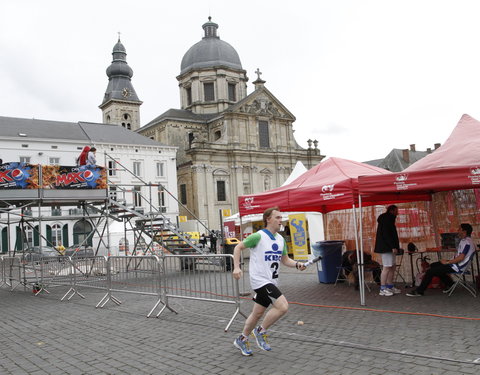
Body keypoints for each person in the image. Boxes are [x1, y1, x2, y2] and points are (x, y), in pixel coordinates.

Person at [232, 206, 306, 356]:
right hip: (260, 280)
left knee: (257, 313)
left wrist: (297, 264)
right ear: (268, 219)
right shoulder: (258, 236)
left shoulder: (280, 239)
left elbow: (285, 260)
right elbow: (238, 247)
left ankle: (242, 338)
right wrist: (236, 267)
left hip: (272, 281)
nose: (281, 220)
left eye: (281, 217)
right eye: (277, 217)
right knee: (283, 306)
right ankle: (260, 331)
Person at [407, 223, 475, 297]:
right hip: (456, 264)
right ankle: (450, 284)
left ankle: (420, 291)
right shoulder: (465, 240)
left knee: (431, 271)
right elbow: (459, 256)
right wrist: (446, 261)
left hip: (458, 266)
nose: (457, 230)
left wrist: (447, 262)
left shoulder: (467, 242)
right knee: (433, 265)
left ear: (464, 231)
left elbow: (461, 258)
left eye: (459, 229)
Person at [374, 205, 401, 296]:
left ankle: (390, 286)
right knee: (386, 267)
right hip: (386, 248)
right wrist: (393, 246)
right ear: (392, 210)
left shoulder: (389, 219)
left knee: (392, 267)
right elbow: (387, 235)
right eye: (397, 210)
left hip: (390, 247)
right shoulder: (386, 220)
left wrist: (395, 246)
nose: (398, 212)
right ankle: (382, 288)